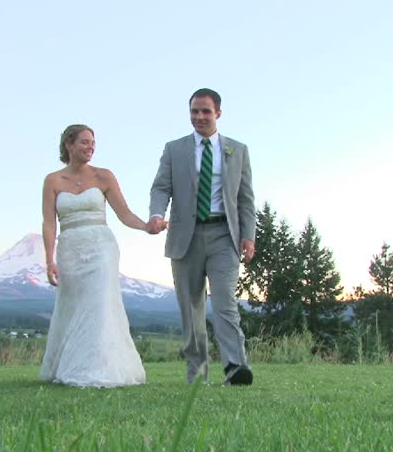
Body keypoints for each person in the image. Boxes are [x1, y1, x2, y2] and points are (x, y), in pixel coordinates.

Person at [147, 88, 256, 385]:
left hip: (225, 235)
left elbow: (246, 199)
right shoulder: (174, 149)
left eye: (206, 111)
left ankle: (235, 366)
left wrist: (249, 236)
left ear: (218, 113)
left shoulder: (237, 150)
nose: (199, 117)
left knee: (225, 303)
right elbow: (161, 188)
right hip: (186, 236)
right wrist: (157, 214)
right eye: (194, 111)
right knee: (191, 307)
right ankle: (198, 373)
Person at [39, 124, 152, 387]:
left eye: (93, 143)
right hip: (70, 248)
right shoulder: (53, 180)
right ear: (69, 144)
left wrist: (146, 226)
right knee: (73, 306)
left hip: (102, 247)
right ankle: (67, 364)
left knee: (99, 304)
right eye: (84, 142)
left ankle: (98, 370)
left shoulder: (104, 177)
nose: (90, 147)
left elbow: (124, 214)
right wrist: (49, 259)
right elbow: (48, 223)